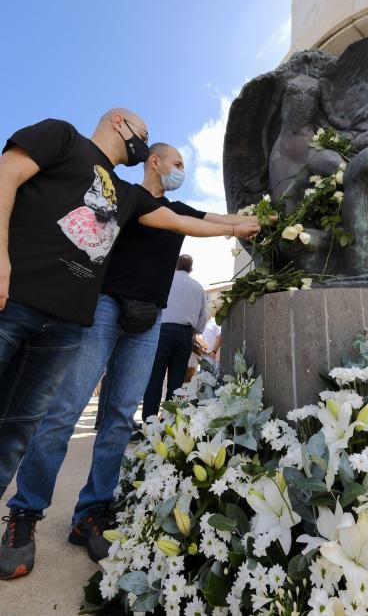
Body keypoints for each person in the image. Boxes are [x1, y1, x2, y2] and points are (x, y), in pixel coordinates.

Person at [0, 140, 260, 579]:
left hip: (150, 319)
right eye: (177, 162)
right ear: (155, 161)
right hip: (103, 309)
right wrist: (234, 229)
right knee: (63, 412)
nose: (181, 169)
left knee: (120, 418)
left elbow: (213, 218)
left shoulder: (180, 207)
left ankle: (91, 514)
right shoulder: (123, 195)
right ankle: (24, 515)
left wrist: (256, 219)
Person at [141, 254, 206, 423]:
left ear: (175, 266)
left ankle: (150, 423)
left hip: (162, 330)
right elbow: (203, 318)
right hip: (186, 334)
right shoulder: (198, 287)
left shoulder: (165, 280)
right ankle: (170, 424)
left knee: (155, 378)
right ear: (191, 269)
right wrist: (195, 331)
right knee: (176, 381)